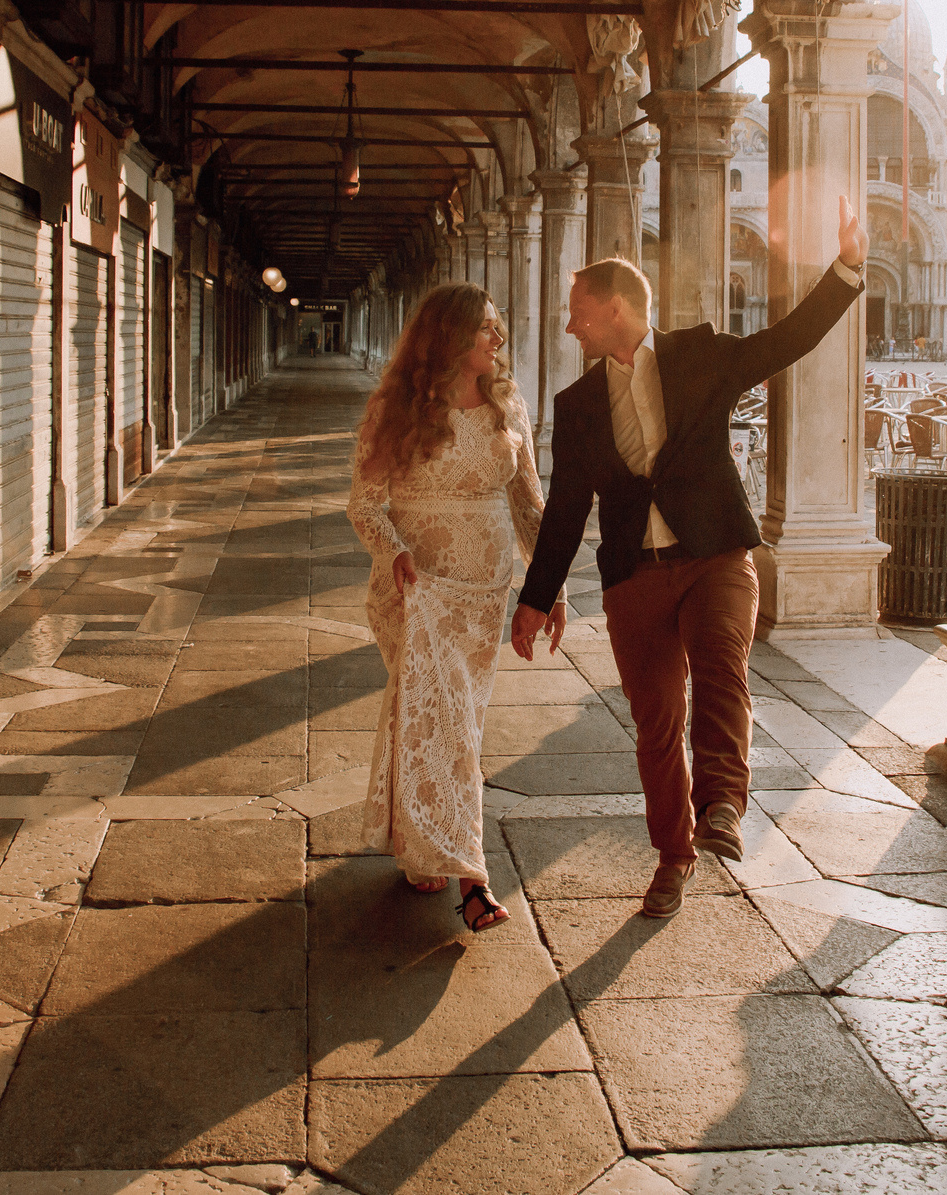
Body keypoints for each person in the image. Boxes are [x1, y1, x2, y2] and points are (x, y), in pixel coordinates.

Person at [512, 197, 866, 919]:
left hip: (714, 556)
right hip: (634, 576)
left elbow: (784, 341)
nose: (570, 322)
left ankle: (723, 805)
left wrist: (847, 270)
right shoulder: (578, 404)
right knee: (655, 724)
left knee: (720, 661)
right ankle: (673, 856)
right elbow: (566, 510)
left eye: (579, 309)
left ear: (615, 307)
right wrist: (534, 594)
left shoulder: (702, 354)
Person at [346, 282, 560, 933]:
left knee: (444, 715)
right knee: (451, 723)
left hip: (484, 589)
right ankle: (474, 878)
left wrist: (545, 589)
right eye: (486, 329)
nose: (498, 340)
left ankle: (420, 838)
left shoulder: (506, 404)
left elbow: (528, 502)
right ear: (450, 337)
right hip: (420, 585)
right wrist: (395, 551)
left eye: (498, 329)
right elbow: (364, 503)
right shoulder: (397, 408)